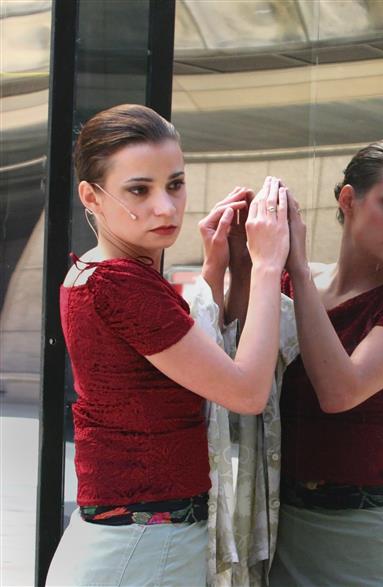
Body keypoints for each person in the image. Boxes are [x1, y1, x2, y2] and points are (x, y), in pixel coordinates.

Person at [46, 104, 289, 586]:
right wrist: (267, 265)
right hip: (143, 545)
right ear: (91, 197)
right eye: (139, 190)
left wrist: (216, 270)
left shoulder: (93, 270)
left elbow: (181, 358)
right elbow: (245, 392)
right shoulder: (120, 284)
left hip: (127, 539)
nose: (166, 206)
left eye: (175, 184)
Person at [269, 139, 383, 586]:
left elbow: (340, 392)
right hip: (285, 528)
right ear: (348, 200)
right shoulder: (290, 285)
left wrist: (298, 269)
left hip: (366, 534)